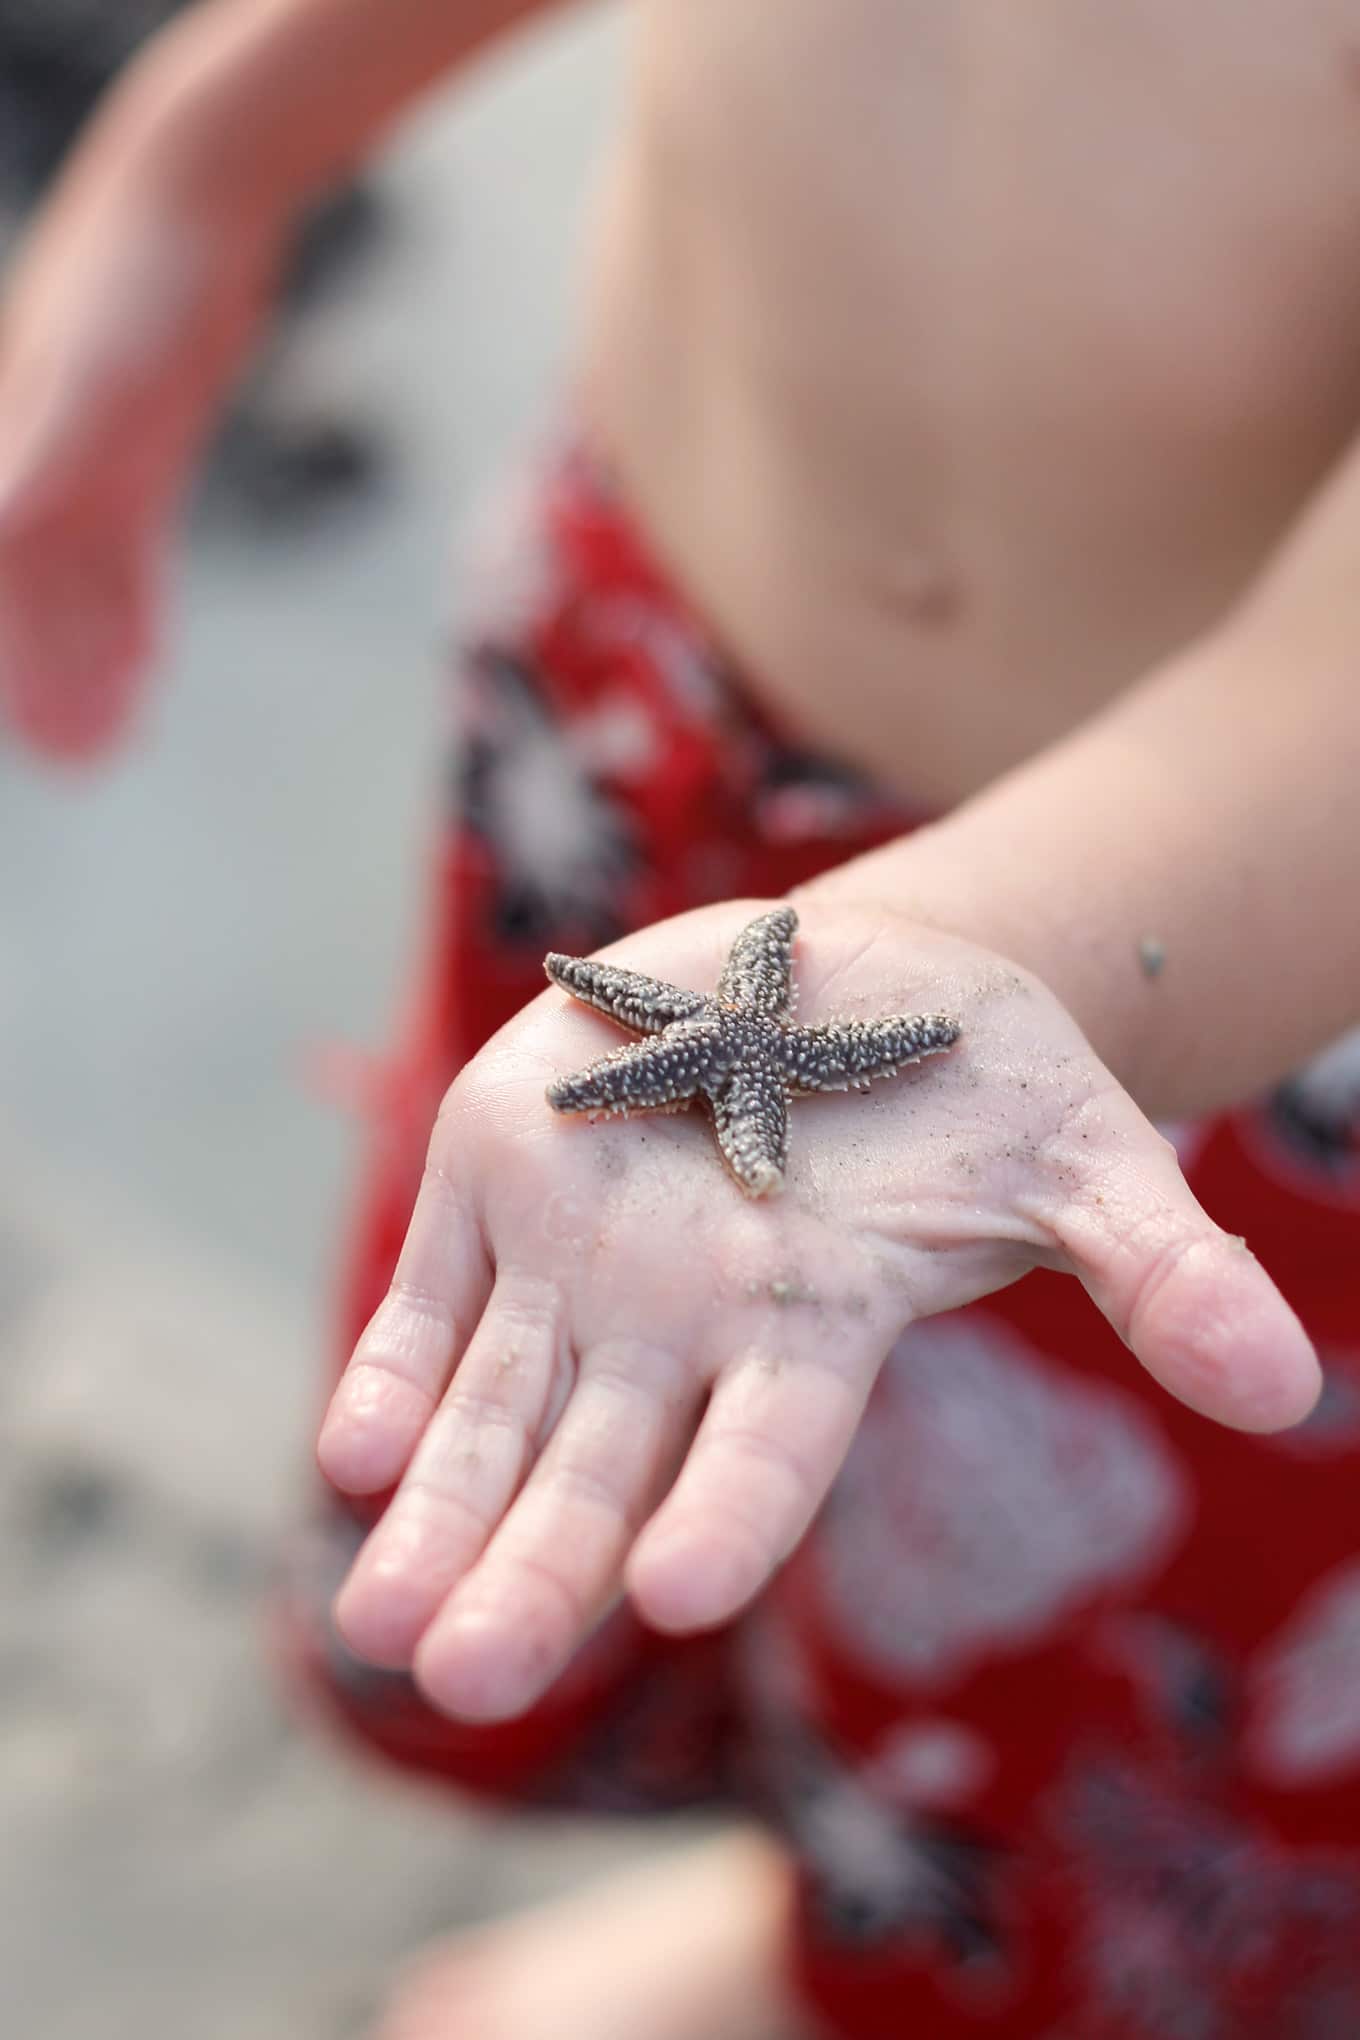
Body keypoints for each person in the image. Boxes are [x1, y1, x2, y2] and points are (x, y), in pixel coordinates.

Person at [4, 2, 1360, 2033]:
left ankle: (850, 1968)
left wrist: (997, 943)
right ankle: (786, 1883)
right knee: (674, 1430)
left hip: (1188, 962)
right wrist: (216, 140)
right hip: (650, 693)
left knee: (1077, 1639)